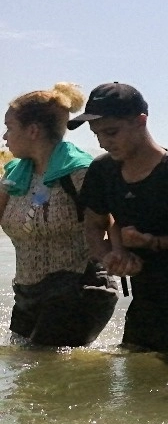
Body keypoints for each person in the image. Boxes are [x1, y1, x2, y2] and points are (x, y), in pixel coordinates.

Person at [70, 82, 168, 352]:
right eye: (97, 134)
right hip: (143, 298)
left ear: (140, 121)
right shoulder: (102, 171)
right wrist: (110, 256)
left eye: (111, 132)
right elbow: (94, 225)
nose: (103, 142)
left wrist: (155, 242)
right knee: (136, 378)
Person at [0, 82, 117, 346]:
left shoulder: (80, 172)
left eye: (9, 128)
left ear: (33, 130)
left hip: (78, 288)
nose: (4, 137)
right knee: (25, 375)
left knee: (45, 369)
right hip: (27, 293)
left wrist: (118, 254)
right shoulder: (15, 173)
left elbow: (112, 222)